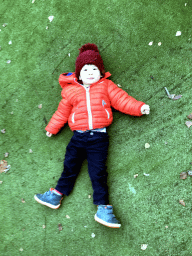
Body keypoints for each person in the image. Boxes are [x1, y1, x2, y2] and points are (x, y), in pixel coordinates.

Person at [34, 43, 150, 228]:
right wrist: (53, 127)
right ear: (79, 74)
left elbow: (122, 100)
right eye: (85, 69)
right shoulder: (71, 91)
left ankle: (104, 209)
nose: (90, 72)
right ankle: (56, 195)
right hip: (77, 137)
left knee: (98, 172)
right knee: (70, 166)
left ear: (101, 72)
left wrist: (139, 107)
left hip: (98, 138)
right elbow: (62, 112)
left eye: (94, 69)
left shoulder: (106, 86)